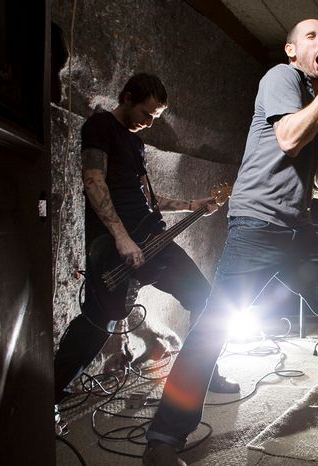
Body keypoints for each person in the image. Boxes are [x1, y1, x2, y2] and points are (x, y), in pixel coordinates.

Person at [142, 19, 318, 464]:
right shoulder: (282, 79)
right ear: (291, 50)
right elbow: (288, 138)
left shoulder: (315, 101)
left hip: (296, 230)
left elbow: (310, 181)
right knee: (214, 327)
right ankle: (163, 440)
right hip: (257, 225)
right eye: (313, 37)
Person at [54, 73, 240, 412]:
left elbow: (147, 199)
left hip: (153, 241)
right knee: (100, 319)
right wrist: (122, 238)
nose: (149, 123)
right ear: (127, 98)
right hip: (113, 246)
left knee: (204, 298)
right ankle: (50, 389)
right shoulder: (99, 126)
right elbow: (94, 182)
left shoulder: (135, 142)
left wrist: (191, 204)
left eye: (155, 117)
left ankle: (202, 374)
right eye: (145, 114)